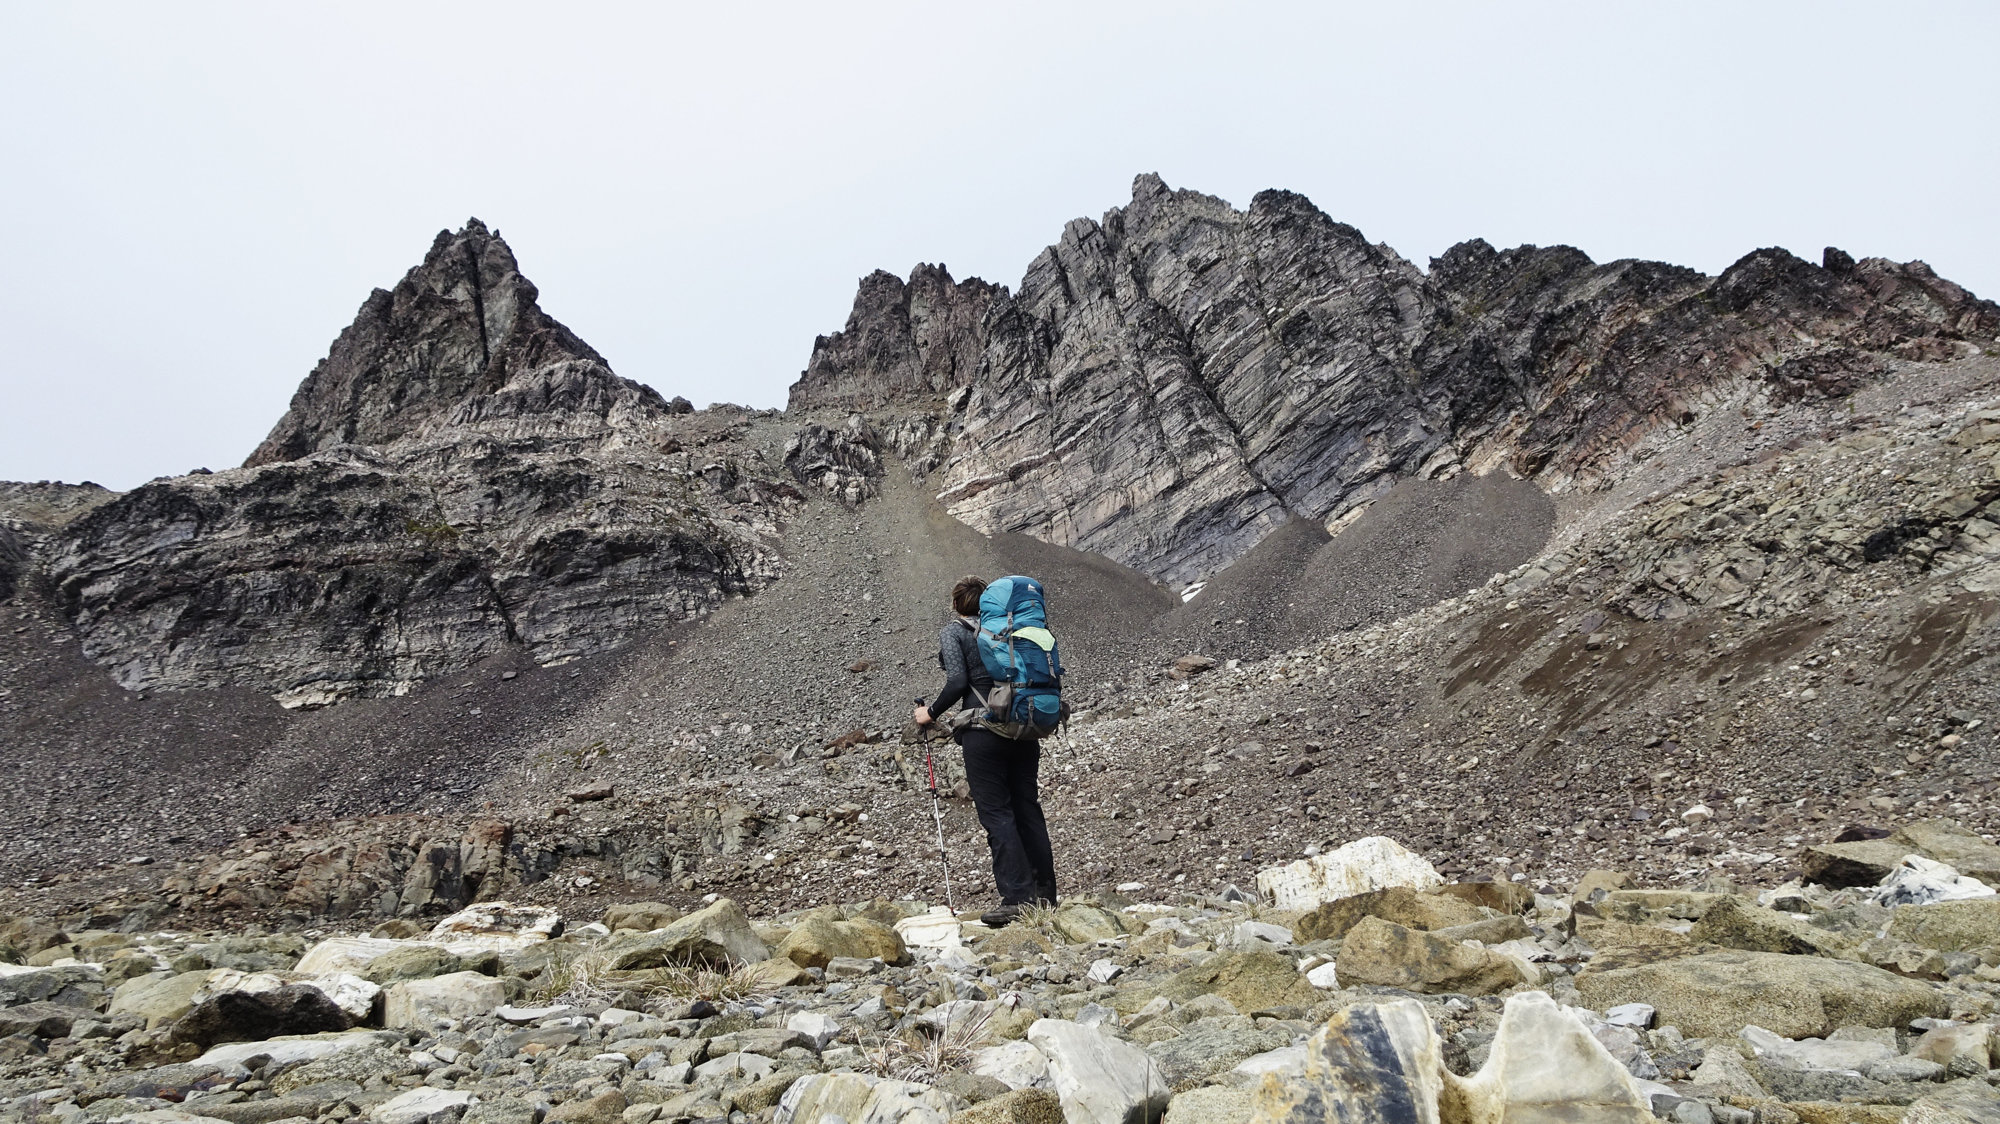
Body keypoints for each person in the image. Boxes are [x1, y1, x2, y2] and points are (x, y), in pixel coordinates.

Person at [913, 575, 1058, 928]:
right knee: (1027, 808)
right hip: (1023, 723)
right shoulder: (1010, 628)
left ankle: (1017, 899)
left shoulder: (955, 632)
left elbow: (958, 681)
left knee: (996, 813)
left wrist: (929, 713)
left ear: (956, 604)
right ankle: (1045, 896)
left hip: (982, 730)